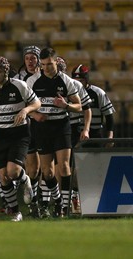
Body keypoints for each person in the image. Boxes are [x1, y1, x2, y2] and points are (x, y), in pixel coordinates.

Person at [0, 56, 40, 221]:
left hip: (19, 134)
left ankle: (25, 180)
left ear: (6, 71)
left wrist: (26, 110)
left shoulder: (19, 86)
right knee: (3, 177)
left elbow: (37, 103)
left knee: (13, 172)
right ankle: (15, 212)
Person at [26, 47, 82, 218]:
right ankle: (58, 200)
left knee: (64, 167)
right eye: (43, 65)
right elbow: (24, 107)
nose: (46, 68)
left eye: (49, 64)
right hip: (42, 128)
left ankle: (63, 208)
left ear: (56, 62)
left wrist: (65, 105)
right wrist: (35, 114)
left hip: (61, 126)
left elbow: (79, 106)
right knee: (47, 171)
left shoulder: (66, 81)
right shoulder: (32, 81)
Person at [57, 57, 92, 214]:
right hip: (55, 129)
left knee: (74, 166)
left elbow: (86, 109)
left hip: (73, 128)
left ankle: (74, 199)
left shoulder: (74, 84)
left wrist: (86, 129)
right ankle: (60, 201)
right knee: (56, 167)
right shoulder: (42, 83)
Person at [13, 45, 42, 218]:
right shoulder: (18, 79)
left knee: (42, 168)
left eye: (33, 58)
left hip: (44, 126)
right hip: (26, 126)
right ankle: (34, 203)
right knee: (32, 167)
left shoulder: (44, 76)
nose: (30, 61)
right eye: (27, 58)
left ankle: (39, 201)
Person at [71, 64, 115, 147]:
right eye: (75, 81)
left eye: (81, 81)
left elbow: (109, 116)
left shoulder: (98, 93)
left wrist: (110, 137)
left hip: (95, 134)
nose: (78, 84)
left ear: (86, 80)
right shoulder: (70, 93)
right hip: (75, 134)